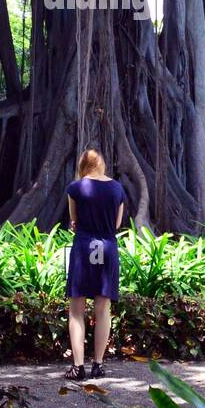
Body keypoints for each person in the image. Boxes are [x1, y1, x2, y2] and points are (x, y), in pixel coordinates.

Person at [63, 148, 124, 381]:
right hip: (107, 247)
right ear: (102, 164)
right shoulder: (117, 188)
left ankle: (78, 367)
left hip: (84, 247)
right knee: (103, 309)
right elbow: (117, 224)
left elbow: (74, 220)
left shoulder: (75, 188)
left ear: (82, 166)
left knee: (76, 309)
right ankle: (98, 365)